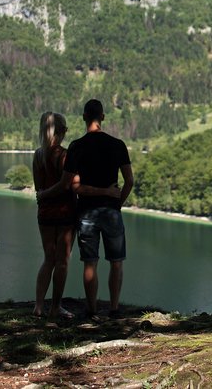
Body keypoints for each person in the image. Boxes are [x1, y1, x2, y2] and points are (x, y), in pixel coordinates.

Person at [61, 99, 134, 319]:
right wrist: (116, 201)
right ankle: (113, 309)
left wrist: (99, 193)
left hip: (86, 213)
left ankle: (91, 310)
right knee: (116, 262)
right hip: (111, 212)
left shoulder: (76, 147)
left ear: (84, 117)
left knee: (90, 263)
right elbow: (129, 180)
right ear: (102, 117)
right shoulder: (118, 144)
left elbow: (73, 186)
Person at [31, 112, 77, 319]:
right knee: (62, 262)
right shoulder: (65, 155)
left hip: (45, 213)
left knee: (48, 259)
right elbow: (67, 185)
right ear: (60, 131)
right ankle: (55, 307)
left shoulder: (38, 155)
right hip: (65, 212)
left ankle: (38, 306)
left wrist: (43, 195)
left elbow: (39, 188)